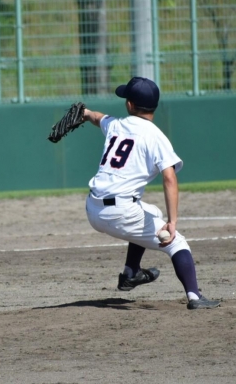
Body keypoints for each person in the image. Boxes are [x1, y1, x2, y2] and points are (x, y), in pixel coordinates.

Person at [82, 76, 219, 309]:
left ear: (129, 105)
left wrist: (84, 113)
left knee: (152, 212)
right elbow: (169, 177)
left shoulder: (116, 125)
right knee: (177, 244)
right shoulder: (155, 136)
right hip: (120, 212)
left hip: (92, 206)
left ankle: (131, 272)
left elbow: (97, 117)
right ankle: (195, 297)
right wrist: (173, 222)